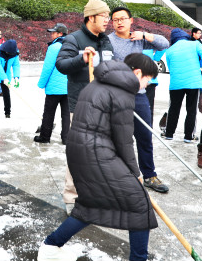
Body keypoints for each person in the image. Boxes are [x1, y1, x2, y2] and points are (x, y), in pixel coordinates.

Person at [37, 53, 159, 261]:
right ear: (137, 73)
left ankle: (51, 247)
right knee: (139, 205)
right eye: (147, 80)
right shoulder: (122, 90)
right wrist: (135, 172)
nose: (145, 86)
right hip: (95, 152)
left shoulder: (101, 81)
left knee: (92, 204)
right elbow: (123, 139)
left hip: (82, 150)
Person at [55, 0, 114, 210]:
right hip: (80, 106)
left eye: (108, 16)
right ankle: (72, 195)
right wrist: (82, 59)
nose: (108, 20)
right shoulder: (73, 39)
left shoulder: (106, 41)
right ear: (91, 17)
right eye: (104, 16)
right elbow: (61, 65)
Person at [107, 6, 170, 193]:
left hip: (139, 95)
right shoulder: (108, 41)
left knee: (144, 135)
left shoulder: (138, 39)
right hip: (117, 95)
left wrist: (145, 36)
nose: (119, 22)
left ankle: (149, 175)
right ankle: (120, 176)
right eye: (115, 19)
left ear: (130, 20)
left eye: (123, 18)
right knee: (119, 137)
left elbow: (164, 44)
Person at [163, 28, 202, 143]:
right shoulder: (194, 44)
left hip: (176, 84)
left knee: (174, 108)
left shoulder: (170, 50)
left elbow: (170, 67)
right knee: (191, 110)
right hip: (193, 83)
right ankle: (188, 136)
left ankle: (169, 133)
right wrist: (201, 65)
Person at [35, 23, 69, 144]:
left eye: (54, 32)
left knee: (49, 113)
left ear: (60, 34)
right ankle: (66, 138)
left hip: (54, 87)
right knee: (66, 114)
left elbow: (47, 68)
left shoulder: (54, 47)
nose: (51, 35)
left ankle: (45, 137)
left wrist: (41, 84)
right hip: (69, 86)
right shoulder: (72, 46)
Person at [0, 39, 20, 118]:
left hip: (6, 75)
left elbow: (16, 65)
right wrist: (4, 79)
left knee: (6, 94)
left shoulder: (15, 52)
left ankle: (7, 113)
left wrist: (16, 77)